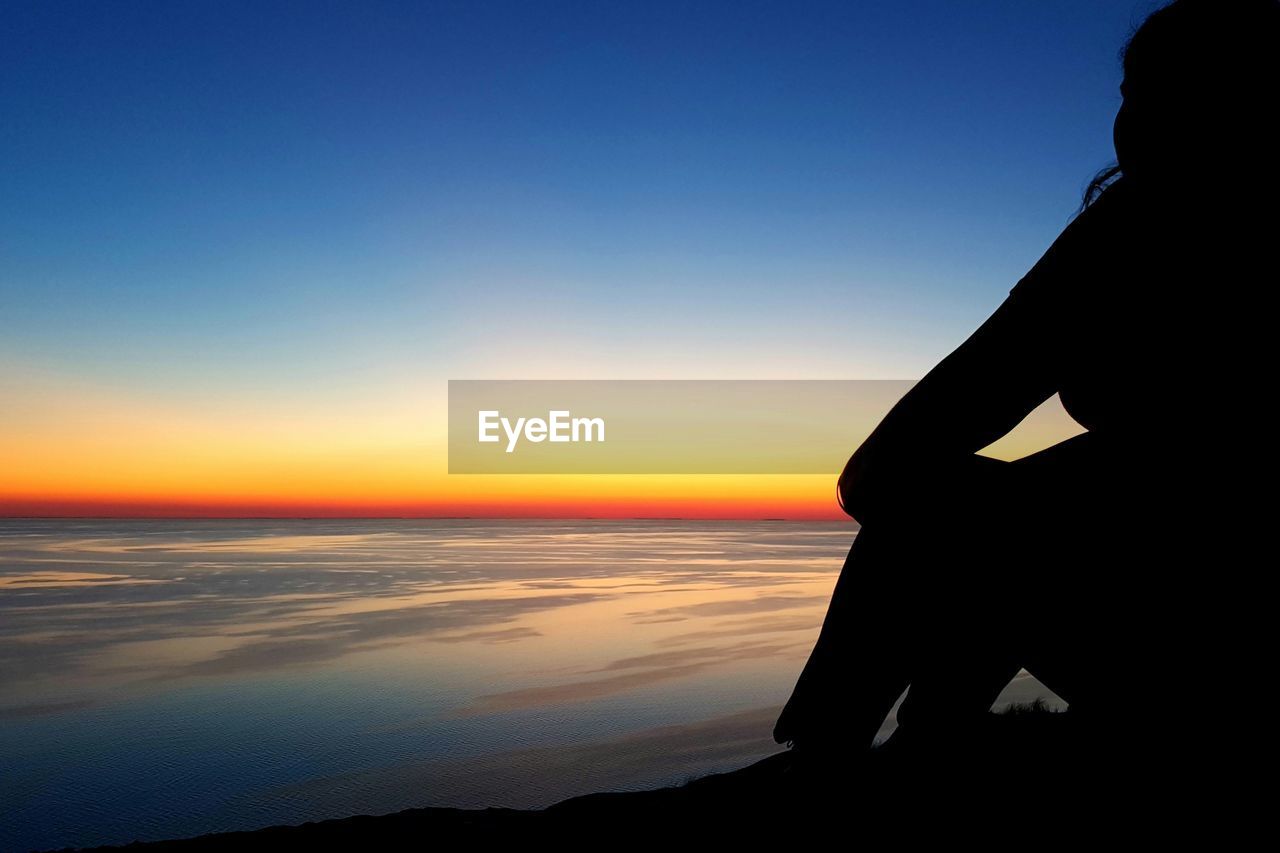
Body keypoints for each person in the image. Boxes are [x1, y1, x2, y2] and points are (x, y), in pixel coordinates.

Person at [771, 0, 1276, 815]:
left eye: (1164, 93)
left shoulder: (1132, 236)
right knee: (992, 503)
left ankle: (847, 759)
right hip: (1158, 581)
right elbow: (944, 418)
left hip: (1191, 625)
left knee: (948, 505)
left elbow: (899, 459)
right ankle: (901, 741)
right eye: (1130, 92)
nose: (1135, 119)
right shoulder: (1120, 234)